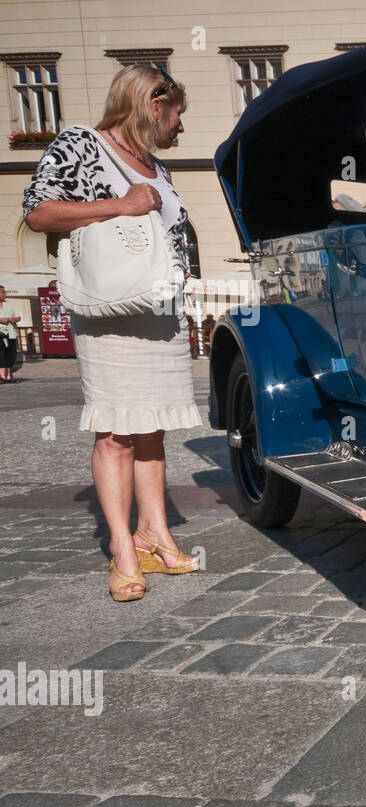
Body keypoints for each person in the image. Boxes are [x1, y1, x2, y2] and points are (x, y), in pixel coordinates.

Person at [23, 65, 202, 602]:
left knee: (152, 429)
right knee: (116, 431)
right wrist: (122, 204)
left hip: (158, 311)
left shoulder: (155, 166)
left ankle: (156, 535)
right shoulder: (79, 144)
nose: (181, 127)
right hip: (109, 316)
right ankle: (123, 552)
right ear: (154, 105)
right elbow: (40, 213)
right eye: (178, 114)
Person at [0, 285, 21, 382]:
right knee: (1, 354)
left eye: (5, 292)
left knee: (11, 355)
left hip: (11, 333)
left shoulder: (10, 305)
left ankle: (8, 377)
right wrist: (1, 320)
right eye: (3, 292)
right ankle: (2, 377)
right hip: (0, 333)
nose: (5, 294)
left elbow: (18, 317)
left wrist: (13, 319)